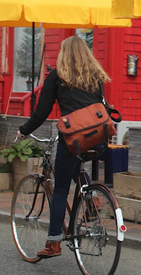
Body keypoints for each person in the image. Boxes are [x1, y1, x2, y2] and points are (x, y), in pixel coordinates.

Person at [16, 35, 111, 259]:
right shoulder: (94, 76)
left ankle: (54, 243)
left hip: (73, 140)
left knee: (59, 191)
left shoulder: (58, 76)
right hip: (98, 139)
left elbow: (42, 112)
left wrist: (25, 130)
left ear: (63, 53)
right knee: (78, 167)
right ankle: (91, 201)